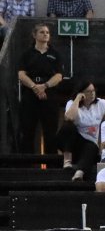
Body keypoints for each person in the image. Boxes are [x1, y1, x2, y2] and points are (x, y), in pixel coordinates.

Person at [16, 22, 65, 154]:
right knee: (27, 130)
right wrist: (34, 87)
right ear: (34, 35)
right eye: (42, 32)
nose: (45, 34)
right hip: (30, 94)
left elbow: (59, 76)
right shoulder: (27, 54)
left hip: (50, 94)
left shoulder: (55, 54)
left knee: (50, 131)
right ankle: (27, 163)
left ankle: (51, 164)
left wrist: (44, 86)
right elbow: (21, 74)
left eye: (47, 32)